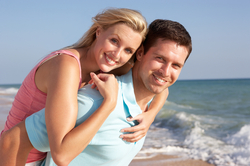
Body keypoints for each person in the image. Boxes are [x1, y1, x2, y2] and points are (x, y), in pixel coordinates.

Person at [0, 19, 192, 166]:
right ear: (140, 54)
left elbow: (162, 90)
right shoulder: (93, 99)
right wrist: (109, 103)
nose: (166, 72)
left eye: (176, 65)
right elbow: (11, 141)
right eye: (159, 59)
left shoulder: (146, 98)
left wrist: (151, 114)